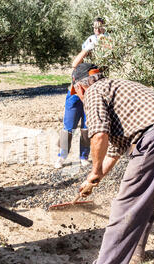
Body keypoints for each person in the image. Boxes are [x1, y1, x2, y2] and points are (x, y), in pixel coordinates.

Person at [59, 63, 154, 264]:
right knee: (145, 197)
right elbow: (114, 150)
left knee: (125, 206)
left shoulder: (93, 92)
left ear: (79, 86)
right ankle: (137, 251)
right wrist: (94, 179)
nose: (78, 97)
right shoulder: (117, 87)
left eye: (76, 92)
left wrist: (95, 170)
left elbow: (99, 135)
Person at [55, 17, 110, 169]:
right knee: (68, 126)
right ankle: (62, 155)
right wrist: (88, 48)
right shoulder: (89, 43)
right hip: (75, 91)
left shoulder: (108, 48)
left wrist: (104, 45)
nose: (97, 30)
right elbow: (74, 64)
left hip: (92, 93)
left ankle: (83, 156)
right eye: (94, 28)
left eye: (100, 28)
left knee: (87, 126)